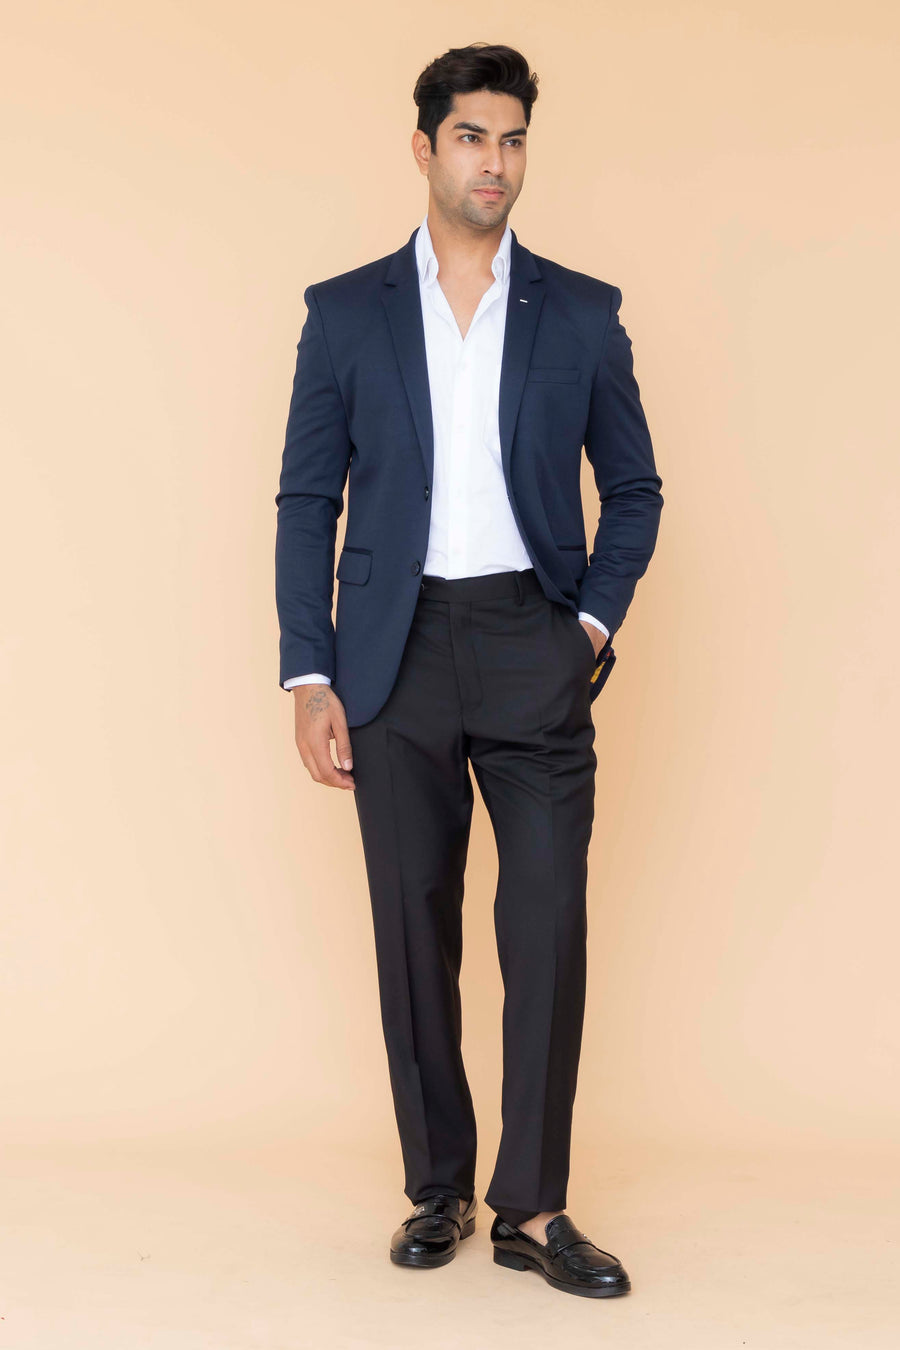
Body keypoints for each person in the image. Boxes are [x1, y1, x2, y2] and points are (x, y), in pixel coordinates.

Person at [274, 41, 663, 1298]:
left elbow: (637, 490)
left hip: (530, 641)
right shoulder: (346, 312)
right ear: (424, 148)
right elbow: (307, 499)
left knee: (546, 923)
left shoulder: (582, 312)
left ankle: (534, 1208)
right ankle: (436, 1188)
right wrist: (309, 673)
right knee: (413, 925)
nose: (494, 162)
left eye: (512, 139)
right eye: (471, 137)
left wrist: (586, 628)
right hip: (390, 656)